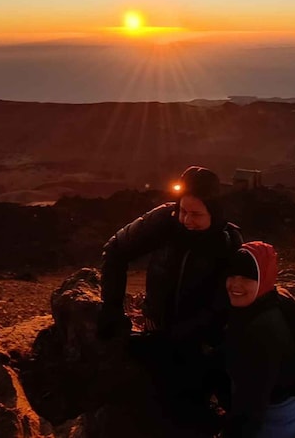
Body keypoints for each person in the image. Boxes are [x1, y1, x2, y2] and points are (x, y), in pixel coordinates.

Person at [97, 165, 243, 434]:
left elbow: (224, 300)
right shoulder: (166, 220)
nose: (187, 220)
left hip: (197, 341)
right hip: (156, 327)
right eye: (184, 211)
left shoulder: (227, 243)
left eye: (197, 214)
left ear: (215, 212)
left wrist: (190, 334)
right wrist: (112, 308)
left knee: (187, 411)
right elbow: (116, 250)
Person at [222, 242, 295, 438]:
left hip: (279, 420)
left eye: (246, 277)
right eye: (232, 275)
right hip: (293, 404)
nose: (235, 284)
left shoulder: (262, 330)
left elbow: (251, 402)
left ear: (263, 278)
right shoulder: (271, 301)